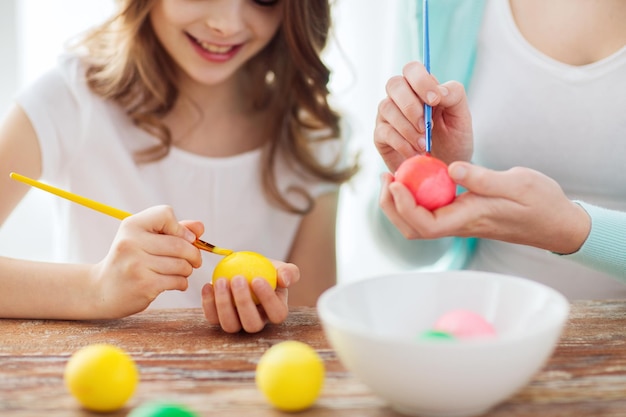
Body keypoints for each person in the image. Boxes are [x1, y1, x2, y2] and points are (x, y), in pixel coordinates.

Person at [0, 0, 357, 332]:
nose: (224, 24)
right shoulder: (69, 101)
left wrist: (271, 316)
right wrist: (96, 287)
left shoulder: (312, 137)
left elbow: (312, 328)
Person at [374, 0, 626, 299]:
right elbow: (408, 253)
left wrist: (575, 230)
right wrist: (429, 188)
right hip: (479, 325)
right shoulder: (437, 8)